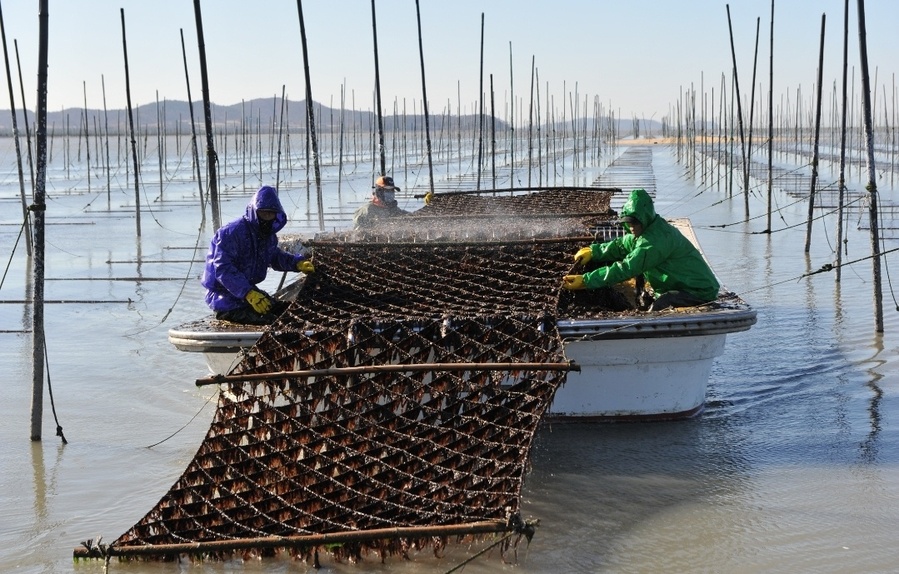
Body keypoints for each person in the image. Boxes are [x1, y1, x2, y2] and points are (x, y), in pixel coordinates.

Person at [562, 188, 720, 311]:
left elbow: (627, 267)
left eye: (634, 223)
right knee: (644, 296)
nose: (631, 227)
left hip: (698, 290)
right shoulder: (645, 230)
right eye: (628, 223)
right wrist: (594, 251)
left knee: (662, 303)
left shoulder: (655, 241)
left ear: (645, 218)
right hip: (678, 284)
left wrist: (586, 281)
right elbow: (621, 245)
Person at [201, 185, 315, 325]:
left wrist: (296, 263)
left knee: (286, 311)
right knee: (272, 322)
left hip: (247, 291)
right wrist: (248, 293)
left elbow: (274, 256)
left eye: (271, 213)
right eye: (263, 213)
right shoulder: (231, 233)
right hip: (224, 297)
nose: (267, 217)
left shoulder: (267, 237)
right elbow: (223, 269)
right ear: (254, 212)